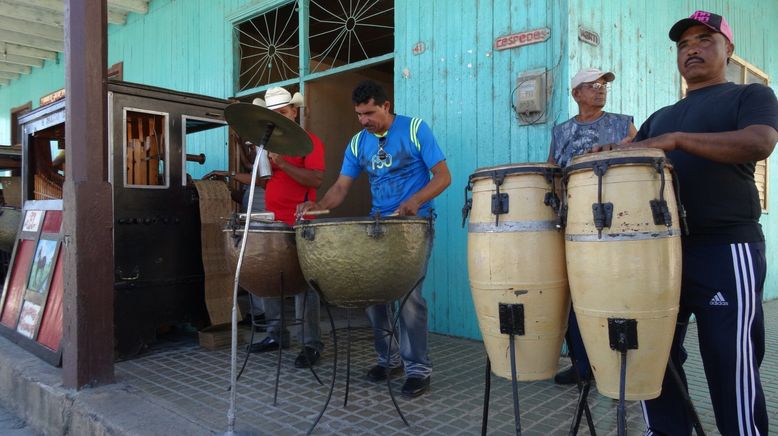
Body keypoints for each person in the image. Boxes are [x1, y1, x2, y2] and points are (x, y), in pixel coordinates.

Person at [606, 11, 777, 435]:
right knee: (654, 355)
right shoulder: (660, 116)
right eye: (684, 45)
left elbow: (761, 142)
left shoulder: (749, 97)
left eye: (705, 39)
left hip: (725, 248)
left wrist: (678, 141)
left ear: (728, 50)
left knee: (728, 359)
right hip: (661, 253)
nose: (693, 49)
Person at [296, 80, 451, 397]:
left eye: (369, 113)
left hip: (413, 224)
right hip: (377, 224)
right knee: (372, 295)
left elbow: (443, 176)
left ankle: (418, 370)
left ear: (386, 106)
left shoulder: (414, 130)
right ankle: (389, 359)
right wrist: (318, 206)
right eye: (359, 114)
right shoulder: (357, 144)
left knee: (409, 300)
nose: (363, 120)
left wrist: (416, 201)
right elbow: (340, 188)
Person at [548, 67, 637, 385]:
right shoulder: (561, 132)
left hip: (620, 222)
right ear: (576, 93)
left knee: (619, 290)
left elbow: (641, 160)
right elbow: (552, 174)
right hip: (575, 224)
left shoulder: (623, 124)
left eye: (604, 85)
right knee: (576, 293)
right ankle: (582, 365)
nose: (601, 90)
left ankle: (622, 365)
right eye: (593, 85)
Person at [246, 87, 327, 369]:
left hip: (301, 221)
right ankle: (276, 335)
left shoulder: (310, 142)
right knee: (270, 276)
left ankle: (311, 343)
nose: (278, 118)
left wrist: (281, 163)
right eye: (273, 115)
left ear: (294, 111)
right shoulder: (269, 144)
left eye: (282, 112)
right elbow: (266, 180)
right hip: (273, 218)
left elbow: (315, 180)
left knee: (304, 283)